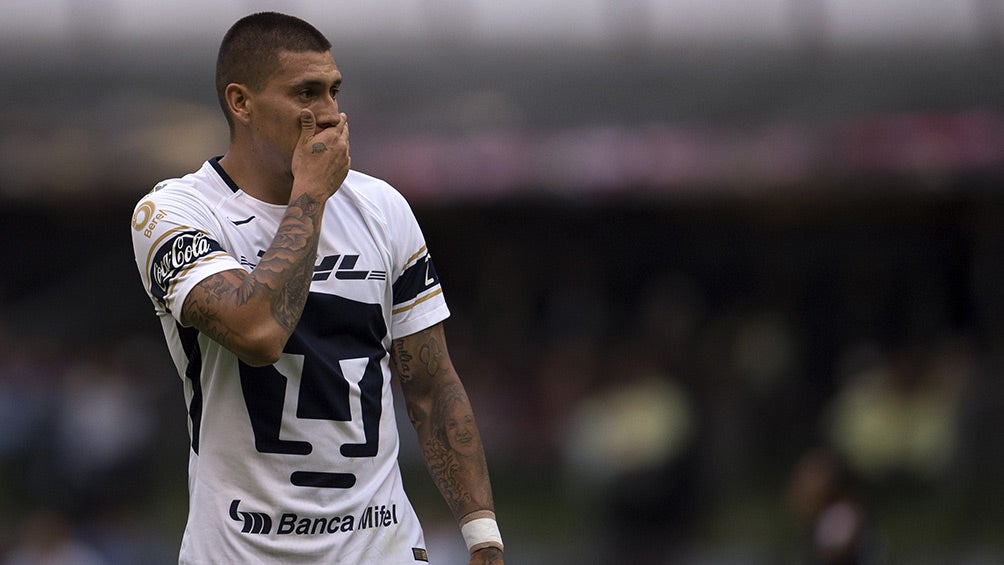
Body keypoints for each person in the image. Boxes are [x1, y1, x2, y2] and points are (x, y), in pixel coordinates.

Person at [129, 12, 503, 564]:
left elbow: (429, 385)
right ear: (241, 102)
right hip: (240, 553)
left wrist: (482, 535)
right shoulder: (175, 214)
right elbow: (257, 332)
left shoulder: (383, 209)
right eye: (306, 93)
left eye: (334, 91)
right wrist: (310, 195)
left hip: (382, 550)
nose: (329, 114)